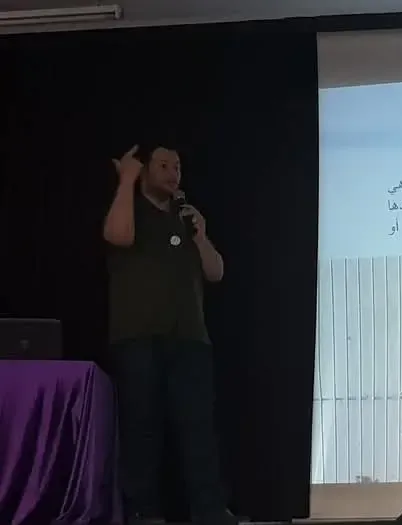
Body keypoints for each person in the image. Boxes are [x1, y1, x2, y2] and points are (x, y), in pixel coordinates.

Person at [103, 144, 235, 525]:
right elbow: (116, 235)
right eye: (163, 165)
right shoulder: (130, 208)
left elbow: (216, 272)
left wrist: (201, 235)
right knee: (141, 427)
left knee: (199, 430)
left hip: (190, 339)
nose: (173, 173)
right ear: (144, 171)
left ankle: (210, 510)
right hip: (138, 337)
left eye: (177, 166)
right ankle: (143, 511)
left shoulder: (187, 218)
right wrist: (126, 181)